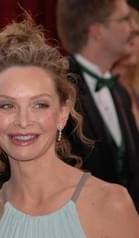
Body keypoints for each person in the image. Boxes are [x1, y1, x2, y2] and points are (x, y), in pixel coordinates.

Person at [0, 18, 139, 238]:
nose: (23, 121)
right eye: (7, 106)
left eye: (39, 105)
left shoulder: (112, 205)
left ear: (63, 112)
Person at [56, 0, 139, 211]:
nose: (135, 27)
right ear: (97, 31)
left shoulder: (120, 93)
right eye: (124, 19)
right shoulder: (60, 90)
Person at [112, 8, 139, 130]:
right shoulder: (100, 88)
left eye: (135, 35)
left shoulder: (134, 87)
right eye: (124, 35)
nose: (130, 42)